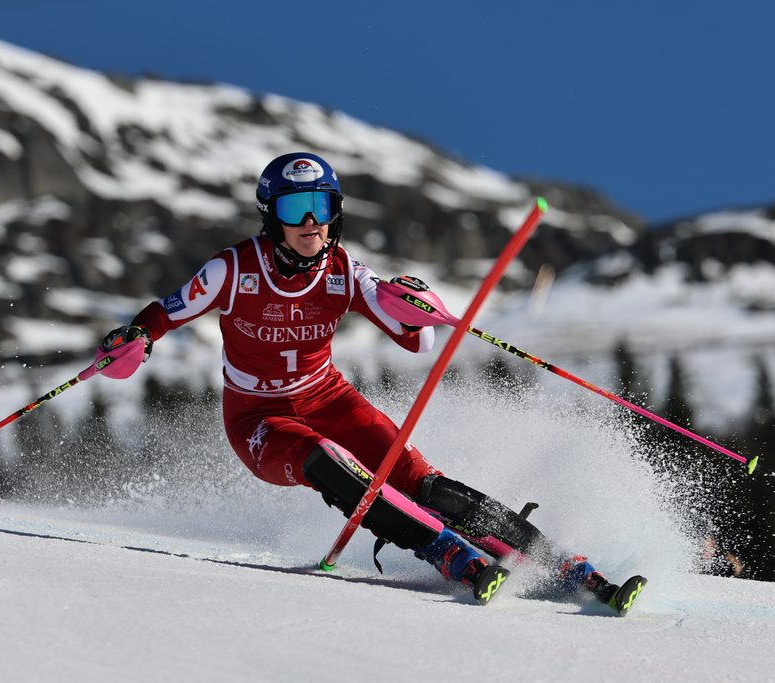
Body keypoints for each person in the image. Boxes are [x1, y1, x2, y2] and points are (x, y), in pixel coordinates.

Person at [100, 152, 646, 612]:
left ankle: (567, 565)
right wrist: (137, 338)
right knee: (324, 458)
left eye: (323, 208)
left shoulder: (344, 271)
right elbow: (166, 312)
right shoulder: (234, 269)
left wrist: (415, 307)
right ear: (271, 217)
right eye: (296, 209)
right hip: (258, 419)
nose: (312, 222)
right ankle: (445, 551)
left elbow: (415, 340)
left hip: (327, 396)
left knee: (416, 478)